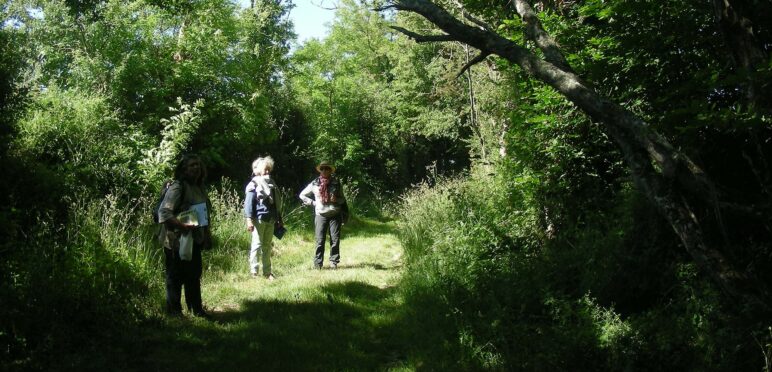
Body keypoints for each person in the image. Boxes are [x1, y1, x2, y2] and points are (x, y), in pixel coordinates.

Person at [158, 154, 213, 319]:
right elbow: (164, 213)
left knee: (194, 275)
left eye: (197, 165)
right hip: (175, 239)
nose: (195, 168)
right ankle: (174, 313)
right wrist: (182, 226)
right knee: (175, 276)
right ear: (183, 169)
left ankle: (196, 310)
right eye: (191, 166)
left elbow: (204, 213)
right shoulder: (177, 187)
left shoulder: (200, 187)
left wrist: (207, 234)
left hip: (195, 238)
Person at [299, 161, 347, 270]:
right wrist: (313, 203)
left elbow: (343, 199)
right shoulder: (314, 183)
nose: (325, 170)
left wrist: (337, 199)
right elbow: (302, 195)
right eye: (322, 169)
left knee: (335, 239)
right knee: (319, 240)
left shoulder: (336, 182)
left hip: (335, 213)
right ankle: (318, 264)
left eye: (327, 168)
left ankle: (333, 262)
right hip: (320, 214)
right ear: (320, 170)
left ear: (330, 170)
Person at [244, 156, 283, 280]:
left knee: (267, 246)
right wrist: (249, 220)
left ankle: (267, 272)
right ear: (257, 170)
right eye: (265, 170)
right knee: (257, 244)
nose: (267, 172)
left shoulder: (272, 184)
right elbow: (248, 204)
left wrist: (279, 219)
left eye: (268, 170)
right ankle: (254, 272)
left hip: (271, 219)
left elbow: (276, 204)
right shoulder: (253, 184)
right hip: (258, 219)